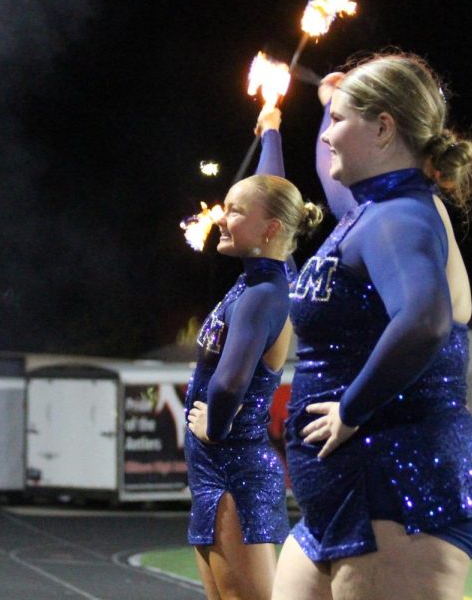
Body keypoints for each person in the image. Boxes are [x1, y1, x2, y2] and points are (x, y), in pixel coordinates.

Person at [272, 51, 472, 600]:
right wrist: (326, 109)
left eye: (341, 124)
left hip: (397, 487)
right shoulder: (371, 211)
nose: (328, 137)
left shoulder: (401, 215)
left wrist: (353, 408)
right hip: (349, 493)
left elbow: (425, 320)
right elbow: (334, 183)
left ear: (382, 128)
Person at [184, 108, 324, 600]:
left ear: (268, 230)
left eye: (235, 210)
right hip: (214, 472)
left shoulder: (263, 295)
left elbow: (227, 383)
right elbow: (273, 191)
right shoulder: (264, 273)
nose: (222, 216)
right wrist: (271, 131)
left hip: (234, 471)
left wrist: (212, 427)